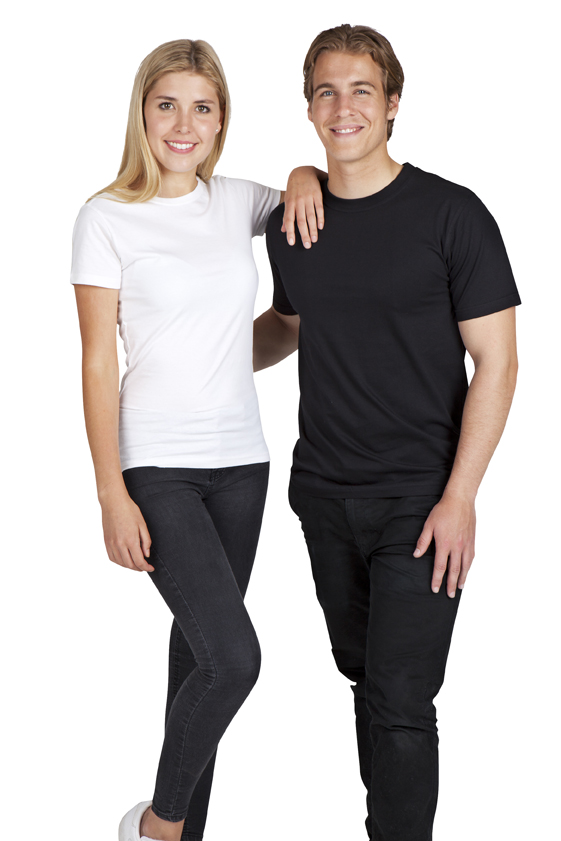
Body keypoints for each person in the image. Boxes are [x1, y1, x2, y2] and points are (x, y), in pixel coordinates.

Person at [254, 23, 520, 841]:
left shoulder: (451, 213)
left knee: (401, 698)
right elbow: (287, 325)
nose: (344, 107)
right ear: (308, 108)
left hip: (420, 500)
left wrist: (460, 496)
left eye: (362, 90)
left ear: (393, 103)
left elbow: (497, 360)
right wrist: (187, 353)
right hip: (323, 495)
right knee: (366, 681)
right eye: (326, 92)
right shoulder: (293, 221)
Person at [71, 39, 324, 841]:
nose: (184, 124)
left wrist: (303, 172)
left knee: (199, 660)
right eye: (167, 105)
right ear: (142, 113)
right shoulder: (104, 217)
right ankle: (157, 824)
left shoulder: (236, 201)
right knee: (234, 659)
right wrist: (111, 493)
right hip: (157, 465)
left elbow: (305, 200)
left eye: (202, 107)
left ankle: (182, 833)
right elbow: (97, 359)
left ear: (220, 120)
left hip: (242, 463)